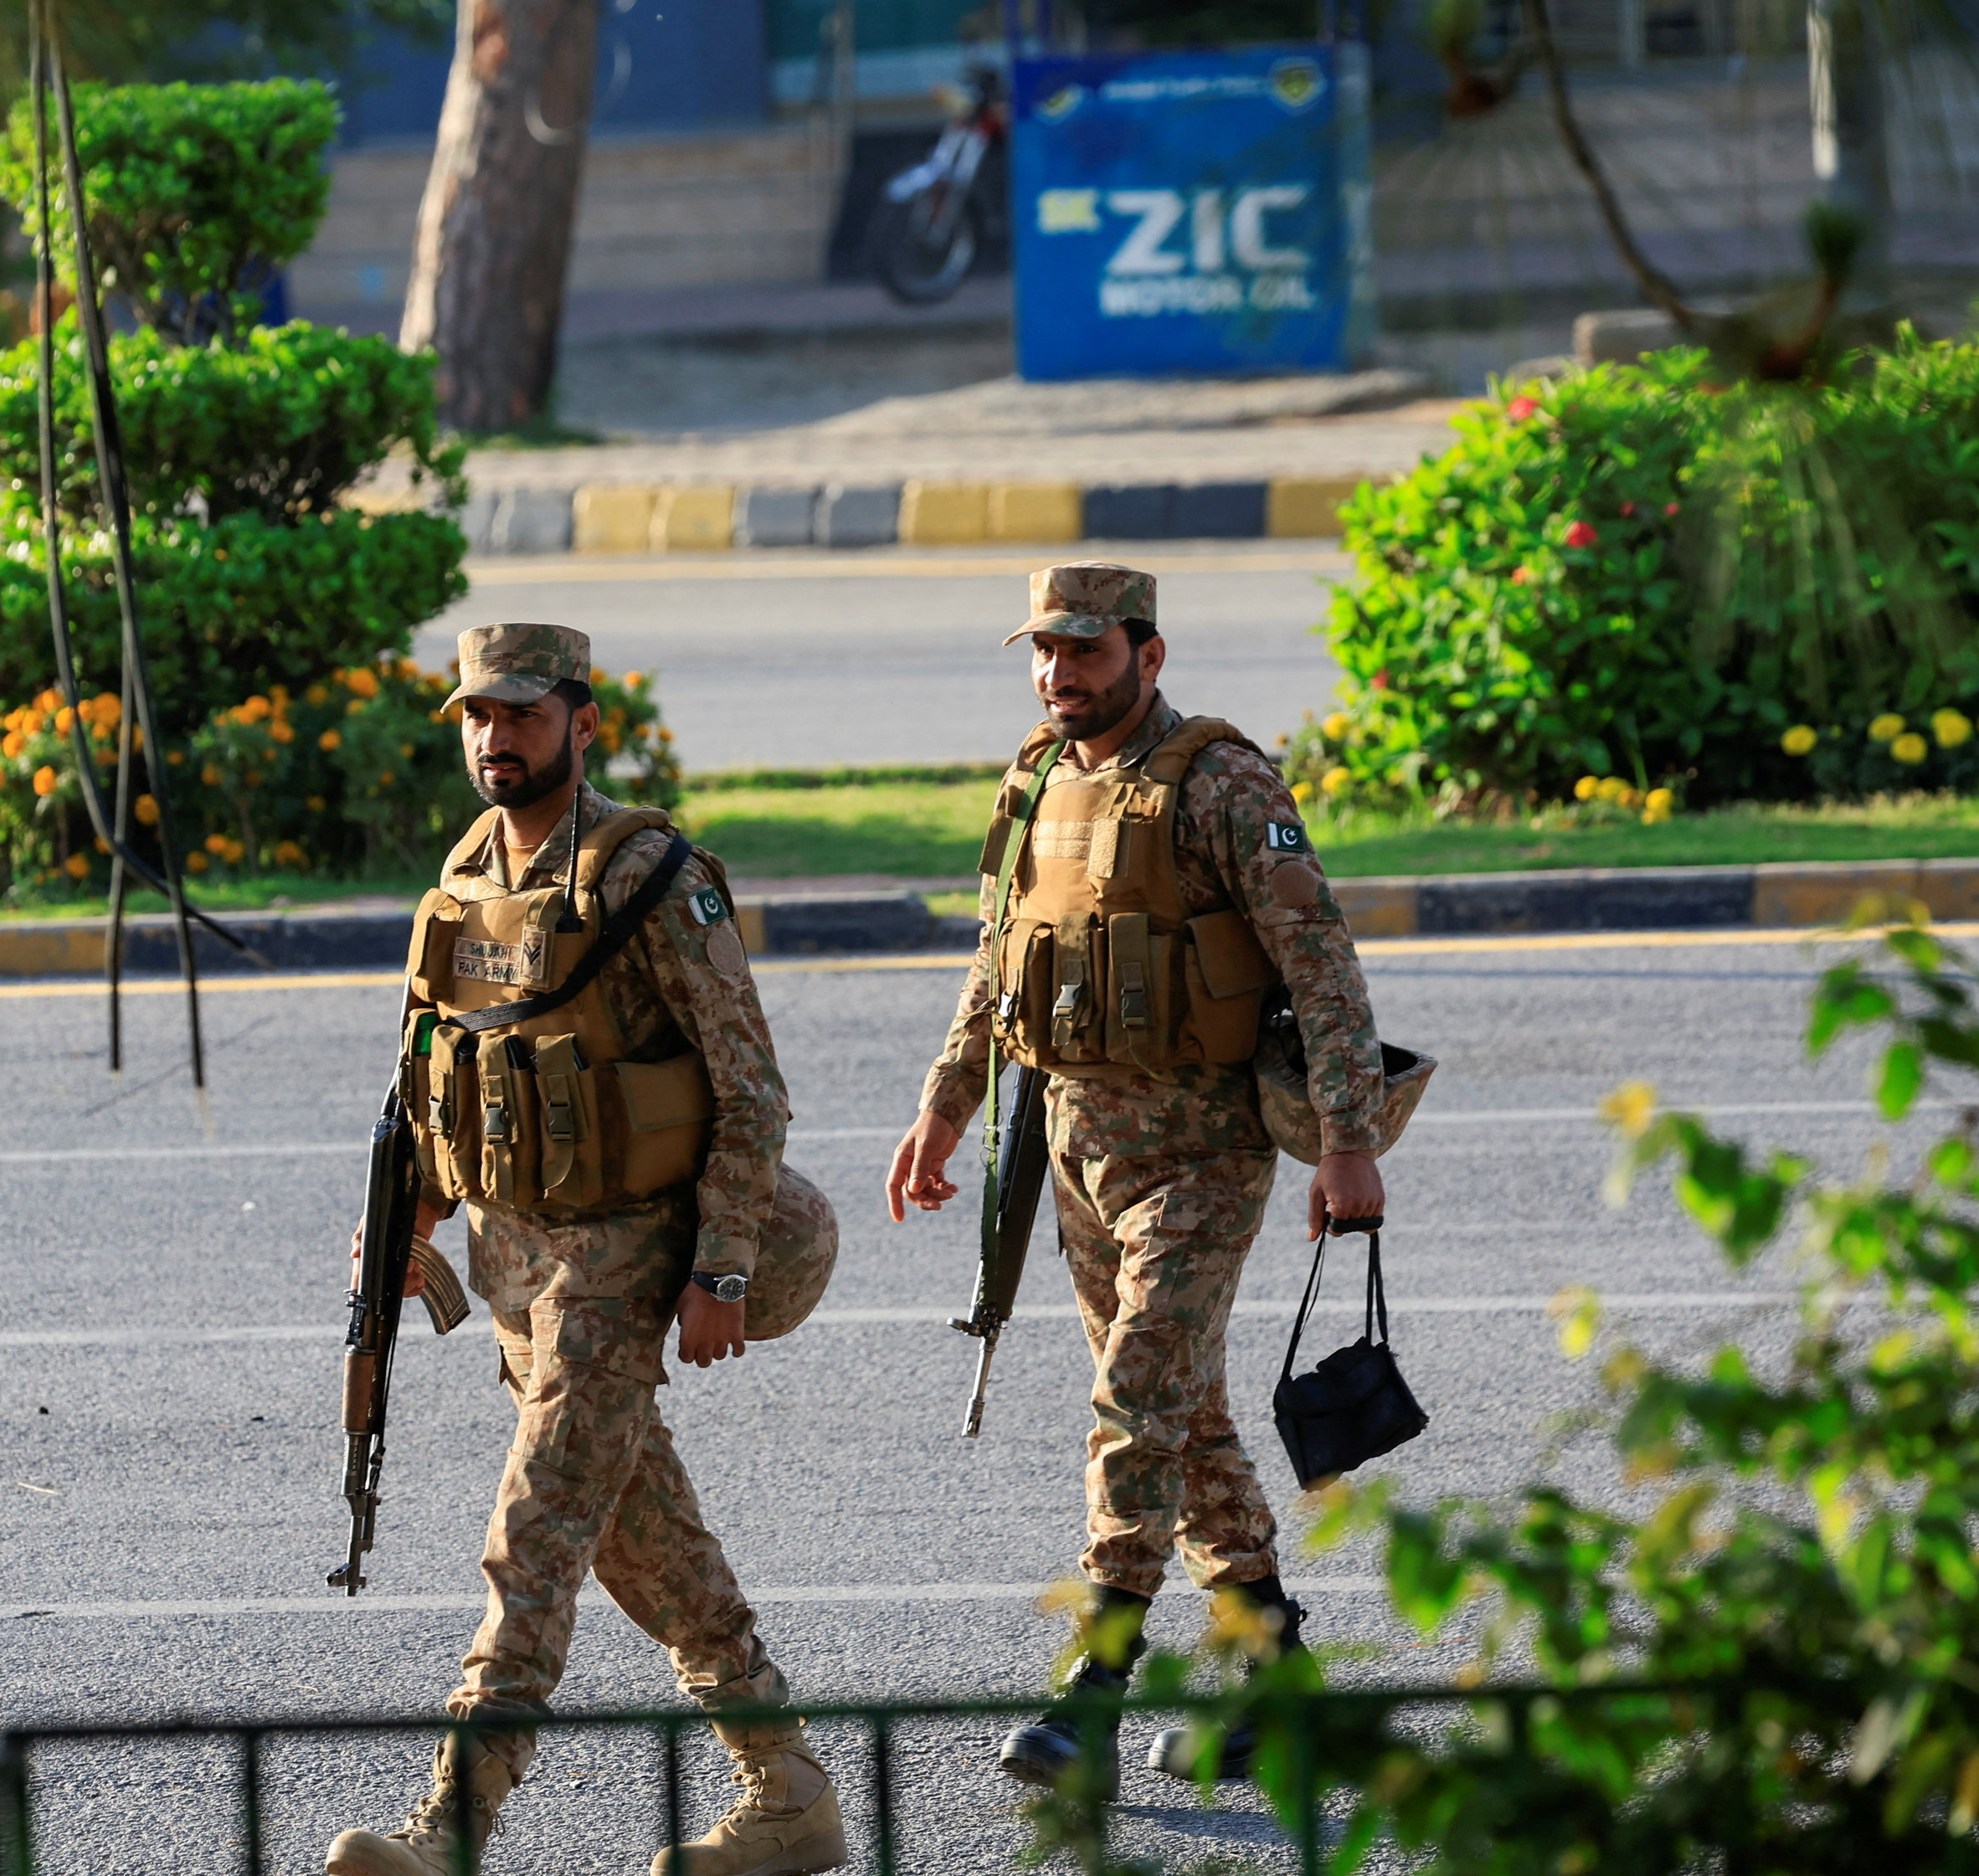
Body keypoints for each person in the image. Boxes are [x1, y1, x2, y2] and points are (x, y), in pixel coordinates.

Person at [329, 623, 842, 1876]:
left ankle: (452, 1827)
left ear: (580, 721)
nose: (495, 739)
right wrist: (402, 1229)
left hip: (626, 1264)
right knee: (642, 1538)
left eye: (521, 715)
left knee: (538, 1532)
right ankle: (790, 1792)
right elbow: (429, 1083)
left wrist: (721, 1269)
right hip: (520, 1272)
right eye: (476, 718)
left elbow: (752, 1092)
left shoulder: (649, 875)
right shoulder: (459, 885)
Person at [882, 563, 1390, 1796]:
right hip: (1075, 1152)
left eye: (1086, 652)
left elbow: (1317, 960)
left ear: (1148, 658)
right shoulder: (1037, 778)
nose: (1061, 674)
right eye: (1044, 653)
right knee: (1185, 1416)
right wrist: (945, 1105)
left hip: (1199, 1158)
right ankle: (1280, 1684)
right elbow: (998, 956)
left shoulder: (1223, 783)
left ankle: (1093, 1689)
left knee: (1132, 1407)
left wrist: (1347, 1138)